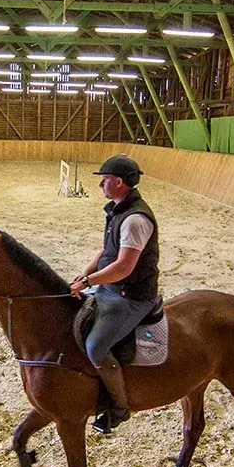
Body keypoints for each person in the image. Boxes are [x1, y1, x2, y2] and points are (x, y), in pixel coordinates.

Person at [70, 154, 160, 430]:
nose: (101, 186)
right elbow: (107, 251)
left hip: (130, 296)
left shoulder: (135, 219)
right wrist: (86, 273)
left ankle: (119, 408)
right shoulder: (118, 209)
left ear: (118, 182)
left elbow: (123, 266)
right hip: (110, 287)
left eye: (104, 180)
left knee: (96, 347)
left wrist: (88, 283)